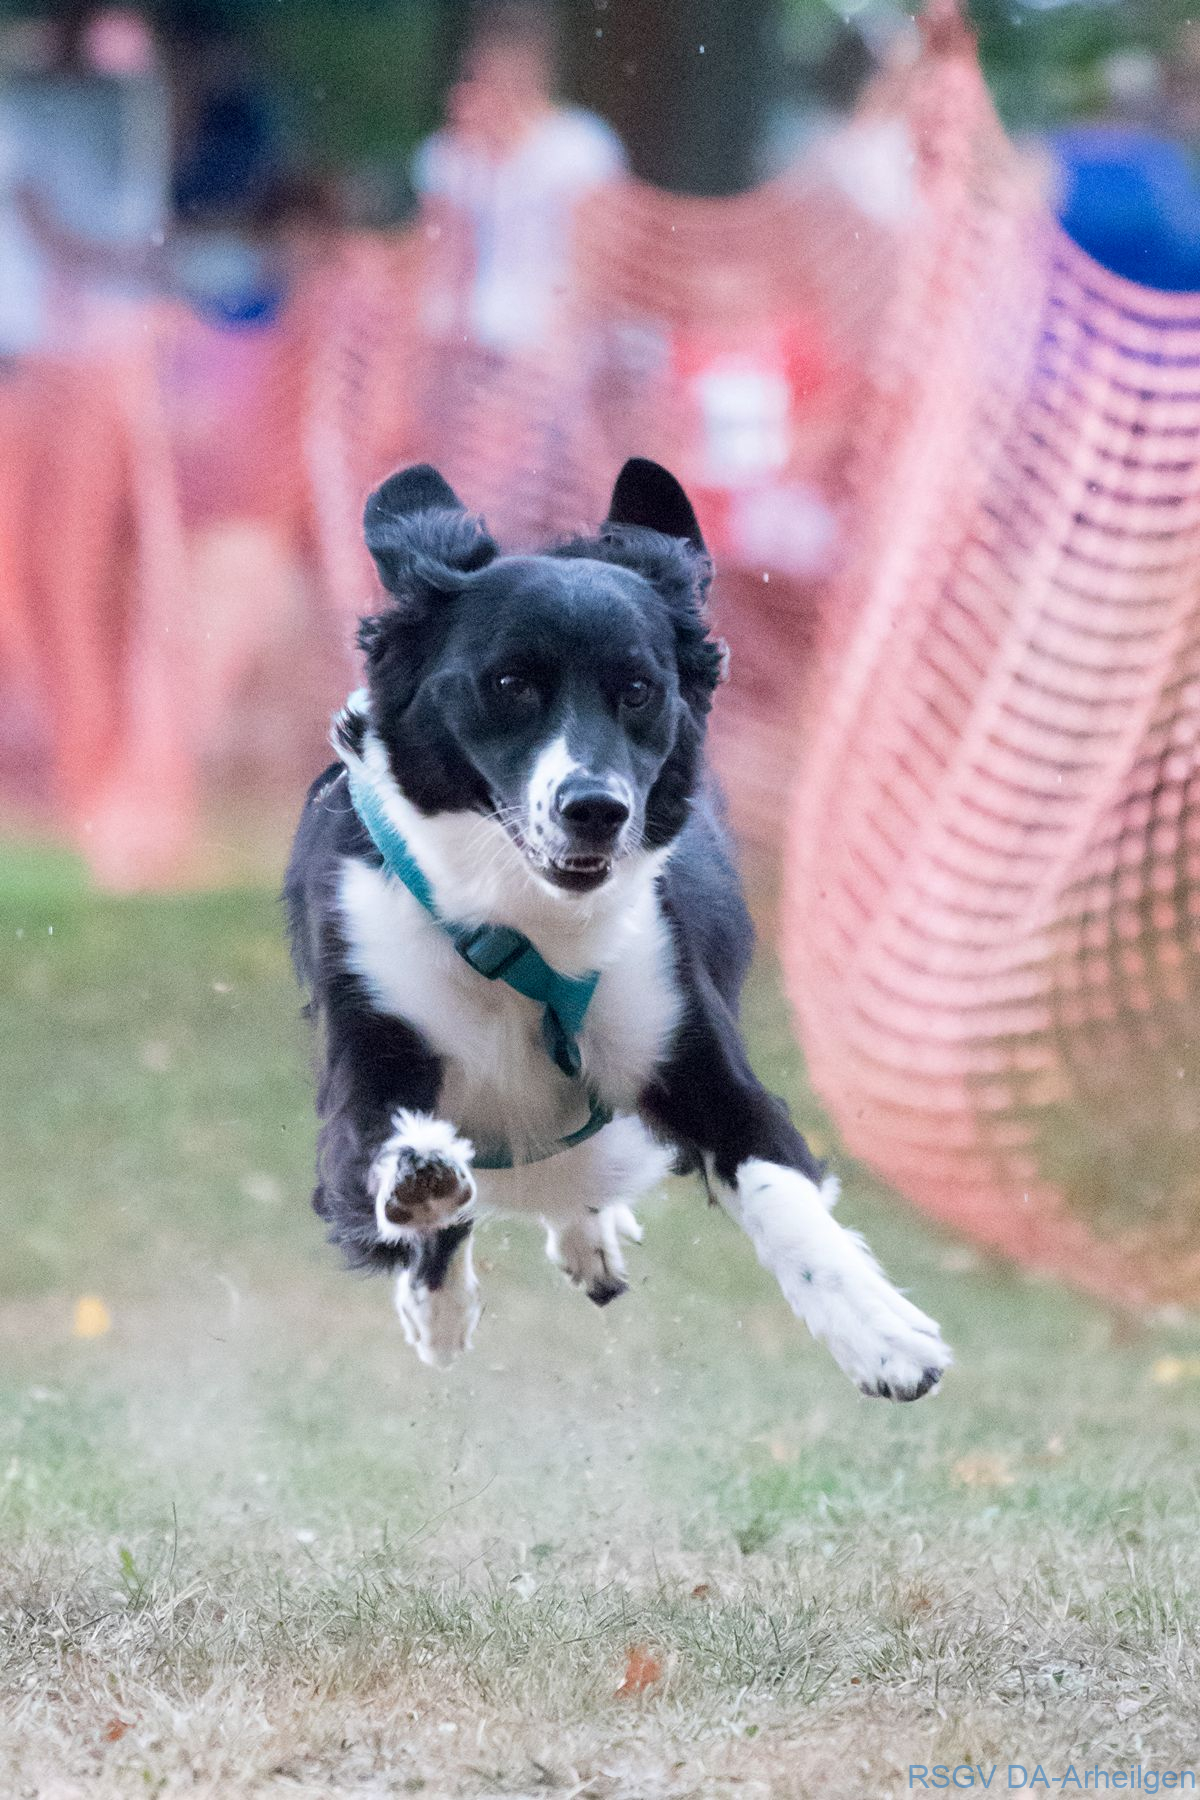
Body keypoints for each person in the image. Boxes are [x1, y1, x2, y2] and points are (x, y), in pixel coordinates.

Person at [413, 2, 627, 355]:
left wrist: (556, 341)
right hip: (468, 334)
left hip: (551, 337)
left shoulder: (581, 147)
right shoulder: (448, 155)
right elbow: (440, 262)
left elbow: (596, 268)